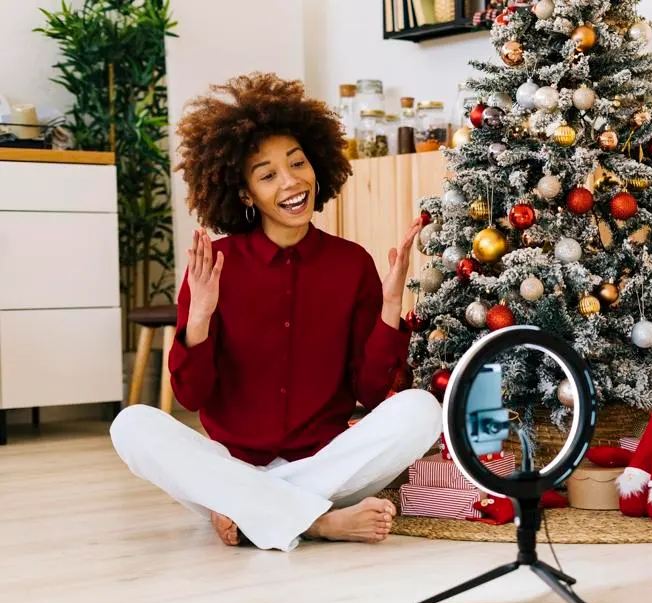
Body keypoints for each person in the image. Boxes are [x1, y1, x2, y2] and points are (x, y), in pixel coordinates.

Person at [109, 72, 442, 552]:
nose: (290, 182)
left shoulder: (352, 265)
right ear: (245, 194)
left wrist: (391, 308)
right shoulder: (214, 267)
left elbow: (371, 394)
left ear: (317, 166)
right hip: (232, 465)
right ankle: (316, 522)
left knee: (422, 411)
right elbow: (192, 393)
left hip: (327, 464)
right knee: (132, 425)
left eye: (297, 163)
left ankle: (257, 514)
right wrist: (198, 318)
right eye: (267, 175)